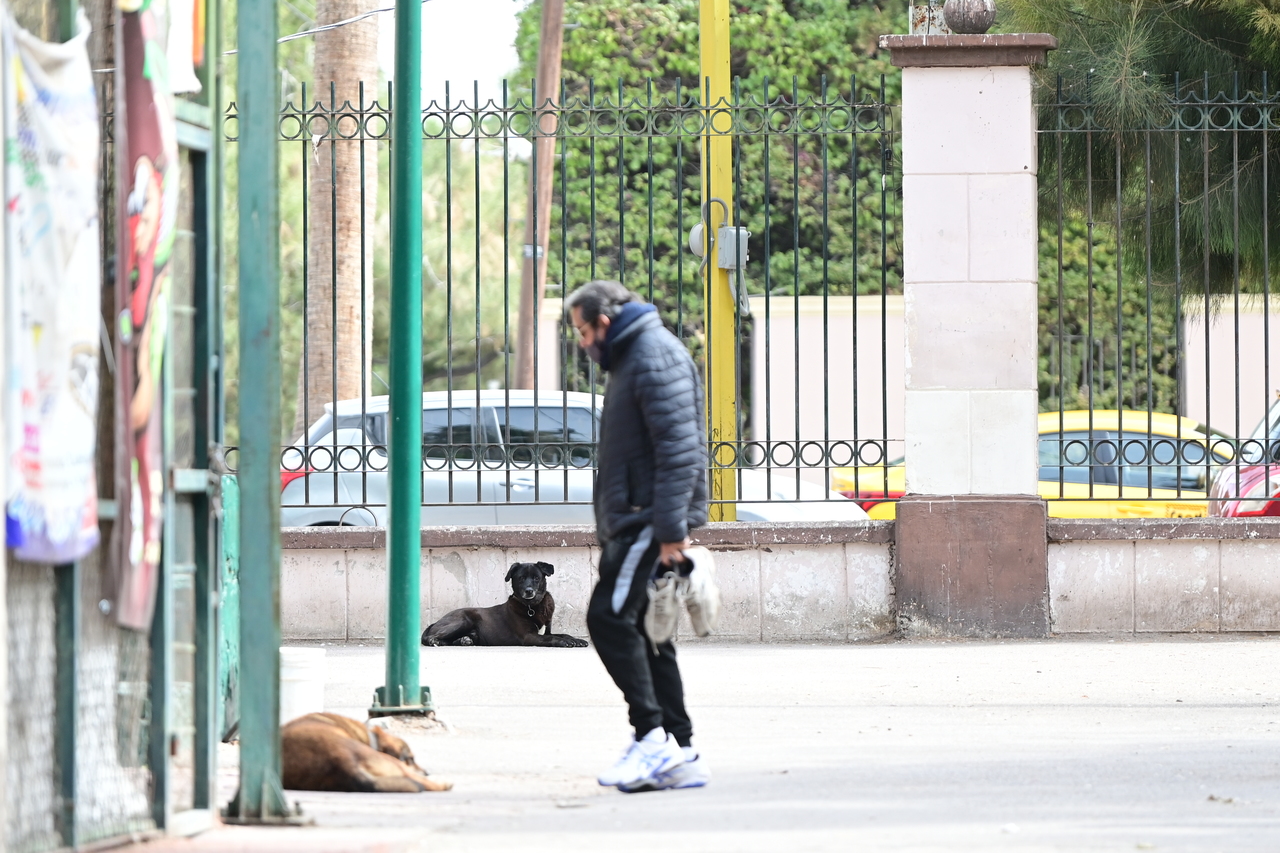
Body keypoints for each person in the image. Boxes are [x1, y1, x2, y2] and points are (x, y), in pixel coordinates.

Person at [567, 280, 712, 793]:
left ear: (603, 321)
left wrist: (671, 530)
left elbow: (680, 448)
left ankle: (652, 738)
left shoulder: (653, 355)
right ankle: (682, 749)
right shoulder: (635, 356)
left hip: (647, 520)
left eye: (583, 331)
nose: (583, 343)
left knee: (607, 619)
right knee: (650, 635)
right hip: (639, 517)